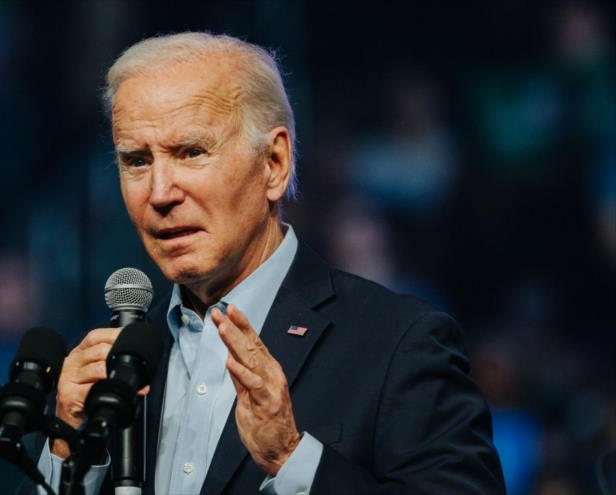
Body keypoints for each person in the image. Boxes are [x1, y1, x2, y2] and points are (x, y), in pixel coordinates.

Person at [33, 32, 504, 494]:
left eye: (192, 153)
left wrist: (292, 459)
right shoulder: (112, 371)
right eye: (136, 161)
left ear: (274, 163)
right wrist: (66, 454)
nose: (159, 193)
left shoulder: (398, 344)